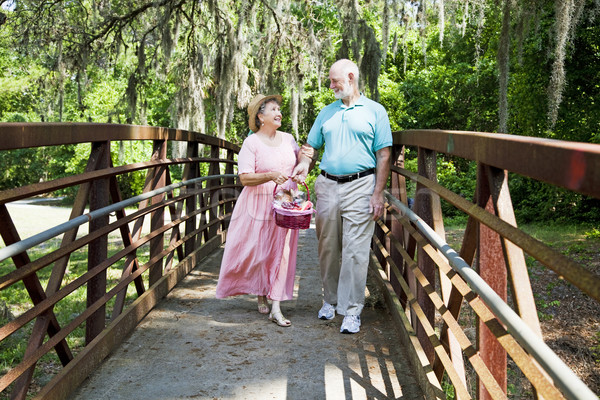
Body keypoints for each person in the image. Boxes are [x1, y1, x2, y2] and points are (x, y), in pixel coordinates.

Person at [292, 59, 392, 334]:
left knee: (355, 251)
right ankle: (330, 300)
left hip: (361, 185)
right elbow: (310, 148)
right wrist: (303, 163)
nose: (330, 85)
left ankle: (351, 311)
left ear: (350, 77)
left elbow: (384, 154)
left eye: (334, 80)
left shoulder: (375, 111)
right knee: (328, 246)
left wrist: (378, 192)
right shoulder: (327, 112)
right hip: (327, 185)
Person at [216, 93, 303, 327]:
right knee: (260, 251)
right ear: (260, 116)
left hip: (285, 202)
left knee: (282, 252)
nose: (279, 112)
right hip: (256, 203)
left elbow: (300, 161)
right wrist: (270, 175)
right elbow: (244, 178)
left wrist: (302, 168)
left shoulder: (288, 139)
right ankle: (260, 291)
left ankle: (276, 305)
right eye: (273, 109)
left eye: (279, 109)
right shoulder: (251, 142)